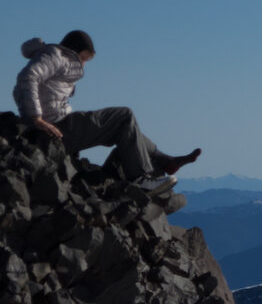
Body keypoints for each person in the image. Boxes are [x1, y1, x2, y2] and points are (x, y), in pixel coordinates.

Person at [12, 30, 201, 196]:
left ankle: (165, 161)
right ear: (75, 50)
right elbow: (27, 77)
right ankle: (141, 180)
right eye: (85, 58)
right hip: (55, 128)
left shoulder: (56, 58)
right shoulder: (54, 55)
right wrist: (36, 119)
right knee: (124, 116)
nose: (85, 64)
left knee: (126, 129)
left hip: (59, 125)